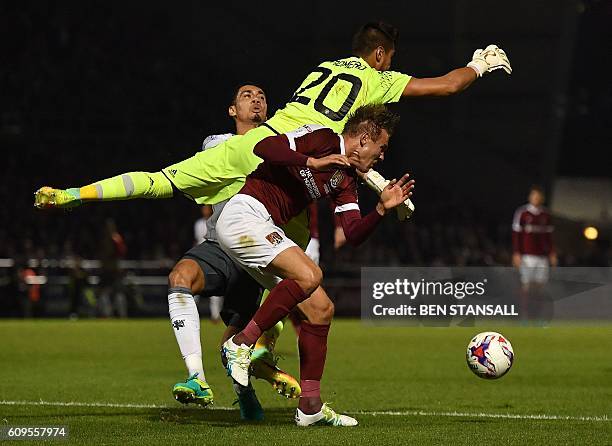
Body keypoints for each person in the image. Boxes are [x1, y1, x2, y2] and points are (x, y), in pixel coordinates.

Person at [33, 22, 510, 211]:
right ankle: (257, 343)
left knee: (161, 180)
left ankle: (75, 193)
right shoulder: (374, 78)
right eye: (391, 56)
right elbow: (446, 86)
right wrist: (479, 65)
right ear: (380, 54)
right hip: (292, 166)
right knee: (295, 266)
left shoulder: (321, 68)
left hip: (259, 145)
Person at [218, 104, 414, 427]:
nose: (381, 157)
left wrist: (380, 209)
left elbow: (352, 233)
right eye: (381, 148)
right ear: (364, 139)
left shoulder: (346, 179)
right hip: (244, 213)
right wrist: (312, 161)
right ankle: (240, 344)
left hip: (262, 227)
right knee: (310, 274)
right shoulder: (321, 138)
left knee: (321, 308)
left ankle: (310, 406)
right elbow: (262, 146)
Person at [167, 84, 301, 421]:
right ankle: (196, 378)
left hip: (252, 254)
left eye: (262, 97)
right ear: (232, 111)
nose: (256, 99)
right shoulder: (218, 143)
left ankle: (248, 387)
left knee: (235, 344)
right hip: (217, 246)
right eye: (247, 96)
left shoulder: (283, 147)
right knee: (179, 276)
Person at [512, 185, 556, 322]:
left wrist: (552, 253)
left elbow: (549, 237)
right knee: (527, 287)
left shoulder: (546, 215)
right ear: (530, 197)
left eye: (538, 196)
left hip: (542, 257)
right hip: (527, 257)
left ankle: (538, 316)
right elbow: (516, 234)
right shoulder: (523, 213)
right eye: (533, 196)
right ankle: (525, 316)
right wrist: (516, 253)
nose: (536, 198)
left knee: (540, 288)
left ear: (541, 198)